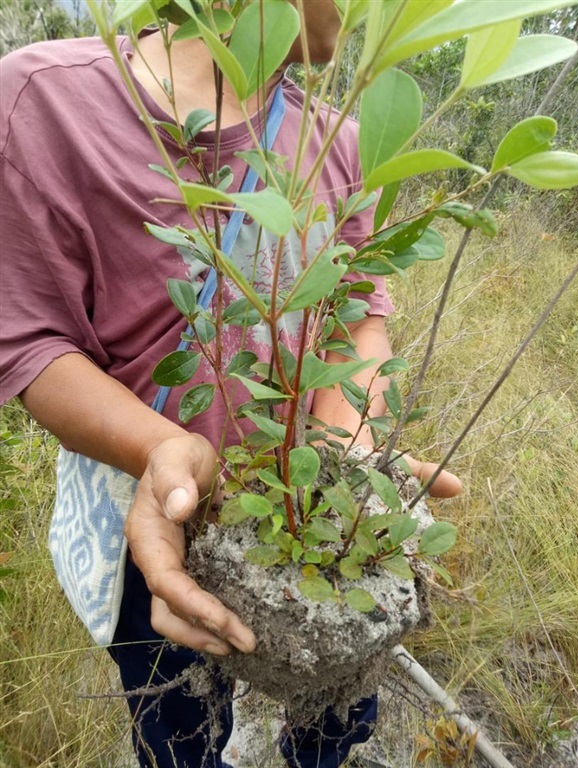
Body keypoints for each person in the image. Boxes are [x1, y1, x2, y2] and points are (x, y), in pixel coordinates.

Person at [0, 2, 462, 766]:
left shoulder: (349, 140)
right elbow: (30, 340)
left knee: (338, 709)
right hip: (152, 519)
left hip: (312, 505)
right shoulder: (40, 99)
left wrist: (351, 460)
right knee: (179, 731)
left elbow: (356, 312)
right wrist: (160, 449)